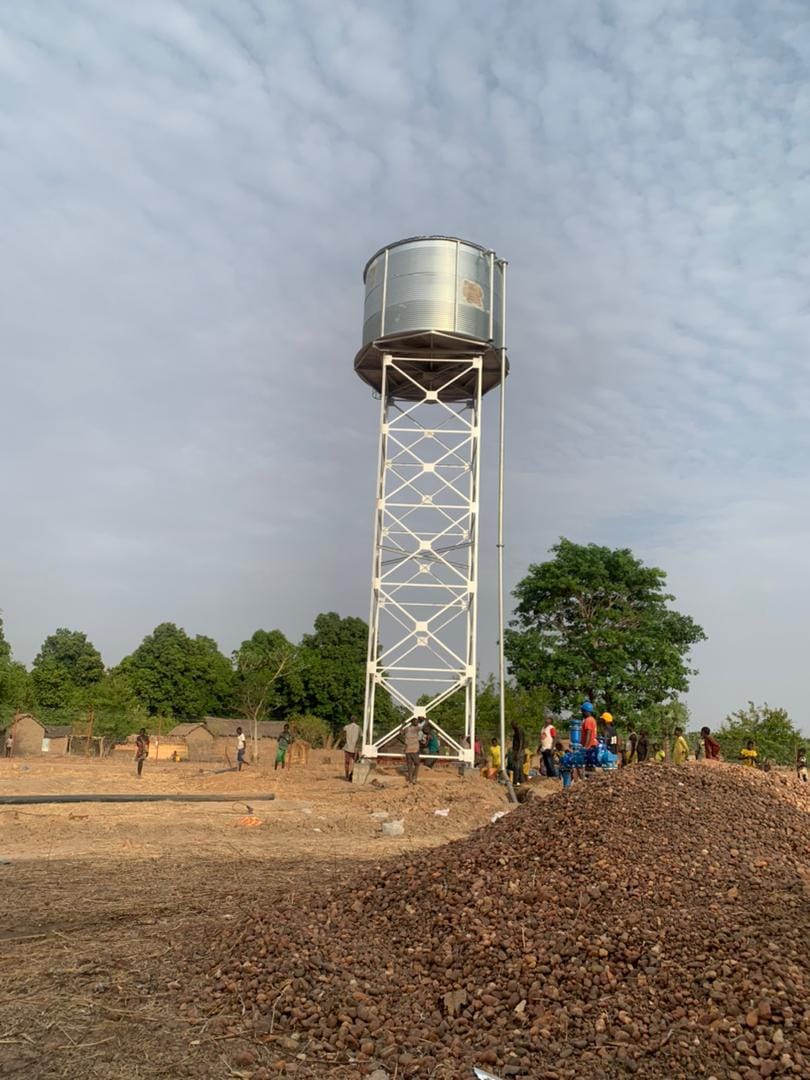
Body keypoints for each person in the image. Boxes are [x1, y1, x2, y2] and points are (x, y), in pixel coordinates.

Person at [341, 716, 361, 782]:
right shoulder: (358, 728)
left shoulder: (346, 727)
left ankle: (347, 776)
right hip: (354, 747)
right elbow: (361, 736)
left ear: (350, 720)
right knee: (357, 762)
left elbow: (343, 733)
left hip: (347, 747)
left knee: (347, 762)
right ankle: (351, 774)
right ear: (356, 720)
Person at [404, 717, 421, 784]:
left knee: (409, 765)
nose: (417, 723)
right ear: (413, 722)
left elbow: (401, 732)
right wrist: (426, 720)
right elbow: (423, 726)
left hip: (408, 750)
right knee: (417, 763)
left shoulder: (407, 729)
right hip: (414, 750)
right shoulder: (416, 728)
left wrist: (403, 724)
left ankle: (410, 779)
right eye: (416, 721)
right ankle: (414, 778)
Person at [511, 721, 526, 785]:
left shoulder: (519, 730)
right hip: (517, 750)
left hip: (518, 751)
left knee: (516, 767)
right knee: (519, 768)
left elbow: (521, 741)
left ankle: (515, 782)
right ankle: (522, 782)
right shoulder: (516, 731)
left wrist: (518, 753)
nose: (512, 726)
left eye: (513, 725)